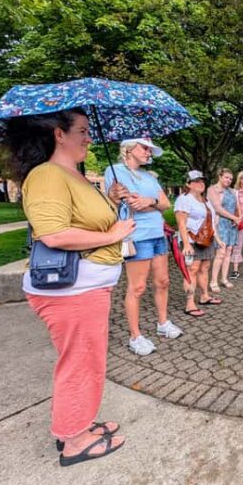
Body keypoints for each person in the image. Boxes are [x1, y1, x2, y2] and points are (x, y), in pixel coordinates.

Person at [4, 108, 133, 466]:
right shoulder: (47, 175)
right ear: (58, 134)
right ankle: (75, 440)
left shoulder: (72, 174)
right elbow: (53, 233)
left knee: (87, 360)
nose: (89, 137)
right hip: (71, 293)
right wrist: (113, 234)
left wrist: (113, 202)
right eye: (82, 130)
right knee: (79, 363)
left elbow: (83, 218)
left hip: (86, 290)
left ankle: (78, 424)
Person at [104, 138, 181, 357]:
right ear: (129, 149)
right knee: (137, 288)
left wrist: (149, 202)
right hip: (137, 235)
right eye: (145, 148)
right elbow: (115, 201)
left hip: (157, 234)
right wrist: (116, 196)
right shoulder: (115, 170)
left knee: (163, 281)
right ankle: (135, 336)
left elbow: (165, 204)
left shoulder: (150, 177)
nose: (149, 153)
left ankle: (163, 323)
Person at [174, 170, 221, 317]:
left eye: (202, 181)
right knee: (192, 270)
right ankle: (189, 304)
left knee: (205, 268)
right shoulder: (184, 199)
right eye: (196, 181)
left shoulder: (205, 200)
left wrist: (218, 239)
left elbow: (211, 222)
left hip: (206, 240)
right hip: (192, 241)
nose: (201, 184)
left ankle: (204, 296)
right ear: (188, 184)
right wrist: (186, 245)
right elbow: (181, 223)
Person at [207, 167, 241, 293]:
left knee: (229, 252)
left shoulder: (232, 191)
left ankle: (224, 279)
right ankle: (213, 281)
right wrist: (234, 218)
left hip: (232, 225)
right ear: (220, 177)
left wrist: (238, 217)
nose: (229, 180)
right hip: (220, 223)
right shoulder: (212, 190)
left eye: (231, 179)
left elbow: (238, 206)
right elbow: (217, 208)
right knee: (220, 253)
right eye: (226, 177)